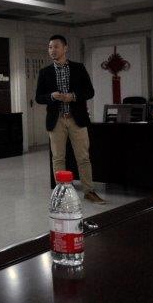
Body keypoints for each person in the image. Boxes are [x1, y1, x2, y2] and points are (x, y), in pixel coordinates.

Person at [36, 35, 105, 204]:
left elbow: (90, 92)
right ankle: (61, 193)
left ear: (65, 48)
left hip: (77, 119)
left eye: (56, 47)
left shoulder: (78, 68)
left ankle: (89, 191)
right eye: (50, 47)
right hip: (56, 120)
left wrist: (73, 97)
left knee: (83, 157)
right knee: (58, 158)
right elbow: (38, 97)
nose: (52, 50)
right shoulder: (45, 72)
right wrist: (51, 96)